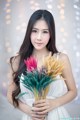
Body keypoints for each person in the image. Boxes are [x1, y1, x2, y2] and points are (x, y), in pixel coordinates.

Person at [7, 9, 77, 120]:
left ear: (51, 34)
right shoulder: (18, 60)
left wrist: (54, 103)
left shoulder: (60, 59)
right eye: (35, 31)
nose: (39, 37)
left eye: (45, 32)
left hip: (57, 116)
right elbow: (10, 95)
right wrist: (27, 110)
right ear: (29, 32)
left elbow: (73, 91)